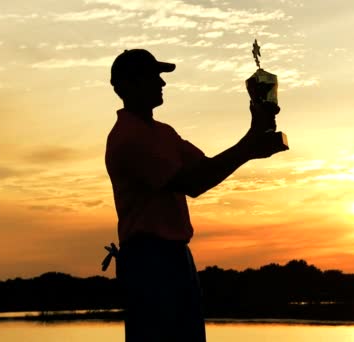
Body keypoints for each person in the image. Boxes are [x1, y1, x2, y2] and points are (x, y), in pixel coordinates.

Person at [103, 49, 287, 342]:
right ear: (125, 85)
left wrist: (253, 137)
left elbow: (206, 167)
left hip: (174, 257)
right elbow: (195, 182)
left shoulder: (163, 132)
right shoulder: (128, 137)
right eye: (153, 76)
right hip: (150, 261)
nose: (162, 83)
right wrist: (249, 146)